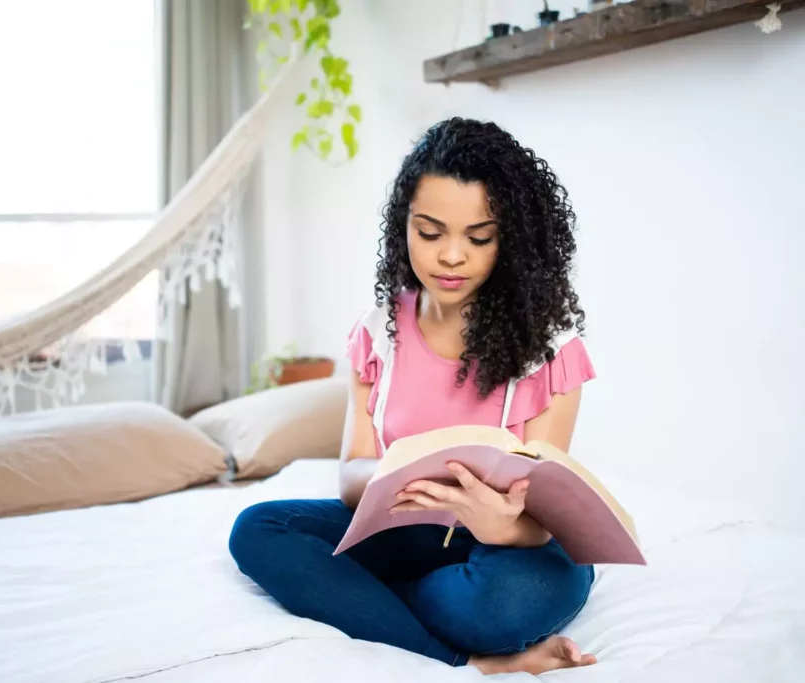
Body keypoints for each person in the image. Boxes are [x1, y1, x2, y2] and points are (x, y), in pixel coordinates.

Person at [229, 117, 599, 675]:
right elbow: (353, 470)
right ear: (403, 227)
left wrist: (495, 524)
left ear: (512, 239)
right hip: (404, 526)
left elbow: (541, 520)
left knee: (504, 604)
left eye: (479, 237)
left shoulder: (551, 350)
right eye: (430, 232)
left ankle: (368, 599)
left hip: (509, 547)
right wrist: (397, 480)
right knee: (259, 530)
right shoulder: (378, 331)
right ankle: (468, 658)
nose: (451, 256)